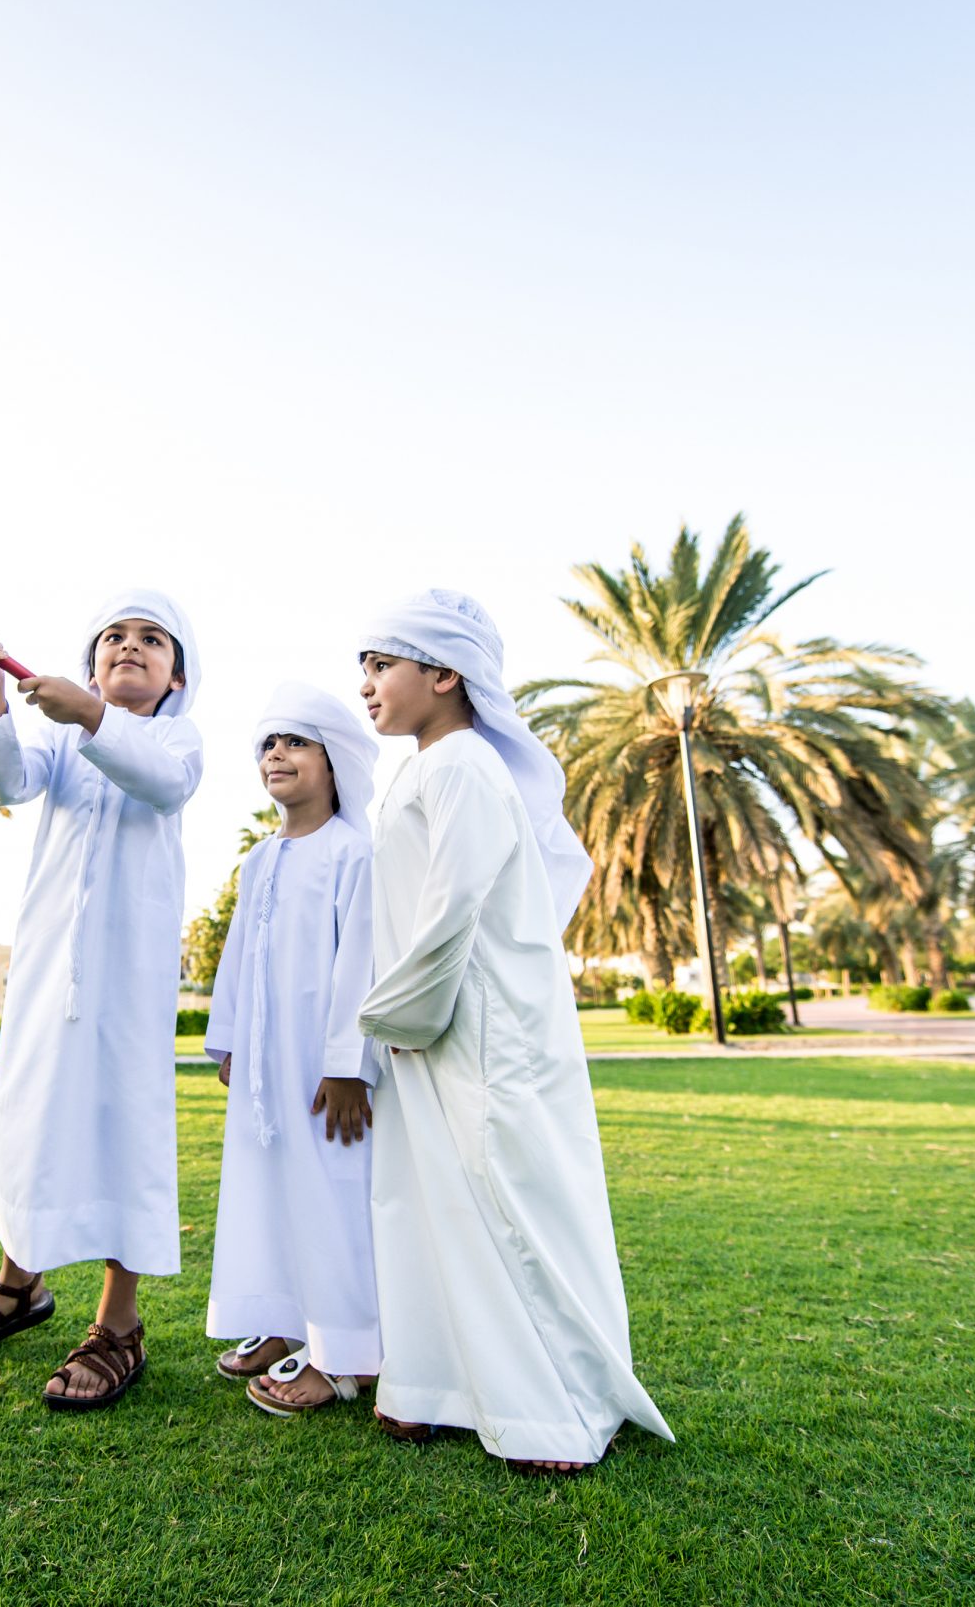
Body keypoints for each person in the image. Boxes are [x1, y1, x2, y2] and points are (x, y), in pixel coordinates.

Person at [355, 588, 672, 1472]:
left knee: (509, 1203)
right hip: (428, 1025)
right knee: (425, 1198)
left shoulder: (462, 765)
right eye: (364, 669)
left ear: (445, 672)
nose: (368, 685)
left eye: (382, 664)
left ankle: (557, 1416)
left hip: (477, 1026)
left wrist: (395, 1016)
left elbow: (454, 907)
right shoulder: (422, 770)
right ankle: (429, 1388)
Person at [0, 591, 202, 1413]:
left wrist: (90, 715)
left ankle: (119, 1326)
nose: (130, 646)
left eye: (152, 639)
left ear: (177, 675)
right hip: (47, 974)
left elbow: (161, 782)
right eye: (113, 636)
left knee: (125, 1128)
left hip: (129, 982)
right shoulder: (60, 738)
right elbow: (10, 781)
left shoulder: (177, 737)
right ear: (89, 663)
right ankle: (20, 1287)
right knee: (30, 1116)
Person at [202, 682, 384, 1418]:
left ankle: (345, 1357)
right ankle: (281, 1316)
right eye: (268, 744)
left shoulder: (354, 853)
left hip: (322, 1073)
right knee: (267, 1189)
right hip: (264, 1070)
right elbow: (238, 956)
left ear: (335, 759)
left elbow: (362, 964)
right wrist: (229, 1040)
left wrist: (348, 1065)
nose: (277, 754)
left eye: (295, 742)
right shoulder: (258, 859)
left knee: (330, 1197)